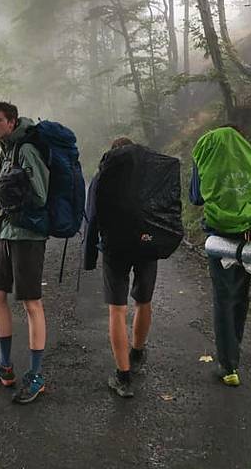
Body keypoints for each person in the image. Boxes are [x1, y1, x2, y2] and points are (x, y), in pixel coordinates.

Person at [0, 100, 50, 404]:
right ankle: (5, 365)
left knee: (31, 303)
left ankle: (36, 375)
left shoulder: (26, 150)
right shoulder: (8, 152)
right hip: (7, 233)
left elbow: (39, 196)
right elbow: (9, 194)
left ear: (13, 122)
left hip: (28, 235)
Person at [189, 125, 251, 387]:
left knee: (223, 298)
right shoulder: (250, 157)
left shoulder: (207, 155)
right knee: (240, 295)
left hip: (220, 238)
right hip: (250, 235)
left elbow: (196, 197)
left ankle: (228, 365)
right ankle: (233, 349)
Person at [82, 137, 160, 398]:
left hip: (115, 249)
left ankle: (123, 377)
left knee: (117, 309)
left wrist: (90, 254)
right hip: (148, 245)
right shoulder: (150, 175)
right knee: (144, 301)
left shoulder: (104, 175)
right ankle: (137, 351)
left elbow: (92, 216)